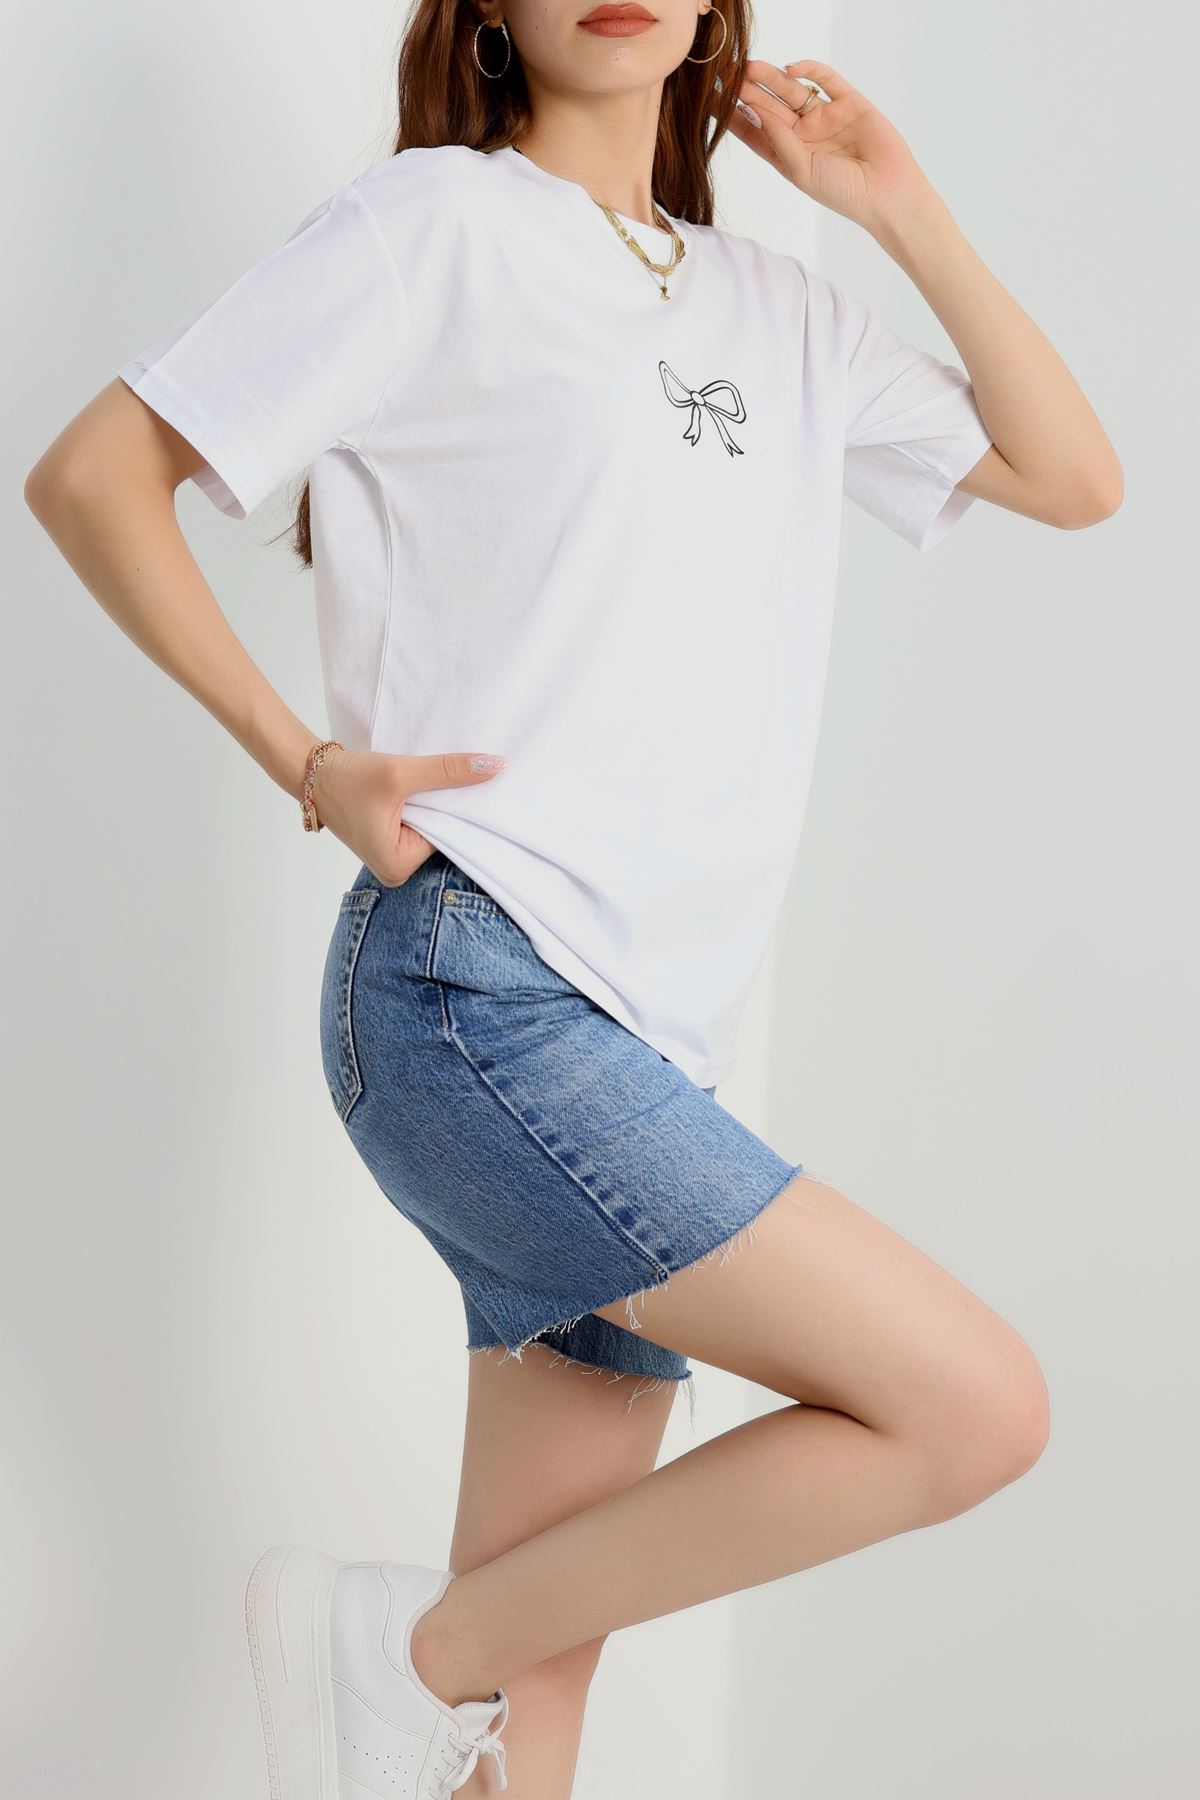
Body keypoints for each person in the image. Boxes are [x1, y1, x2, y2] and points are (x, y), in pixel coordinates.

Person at [25, 2, 1122, 1795]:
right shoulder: (435, 227)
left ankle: (431, 1679)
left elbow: (1075, 479)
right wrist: (306, 758)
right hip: (480, 992)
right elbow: (92, 476)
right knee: (971, 1404)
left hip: (647, 1039)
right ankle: (405, 1652)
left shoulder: (780, 311)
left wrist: (894, 203)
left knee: (516, 1735)